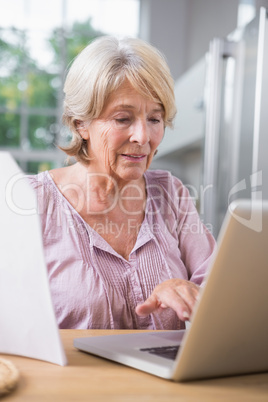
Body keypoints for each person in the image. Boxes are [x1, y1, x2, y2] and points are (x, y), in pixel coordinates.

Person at [28, 36, 216, 330]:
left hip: (166, 376)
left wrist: (190, 294)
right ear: (81, 123)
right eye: (123, 119)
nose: (143, 137)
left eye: (155, 119)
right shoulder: (32, 201)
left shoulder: (171, 193)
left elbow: (221, 296)